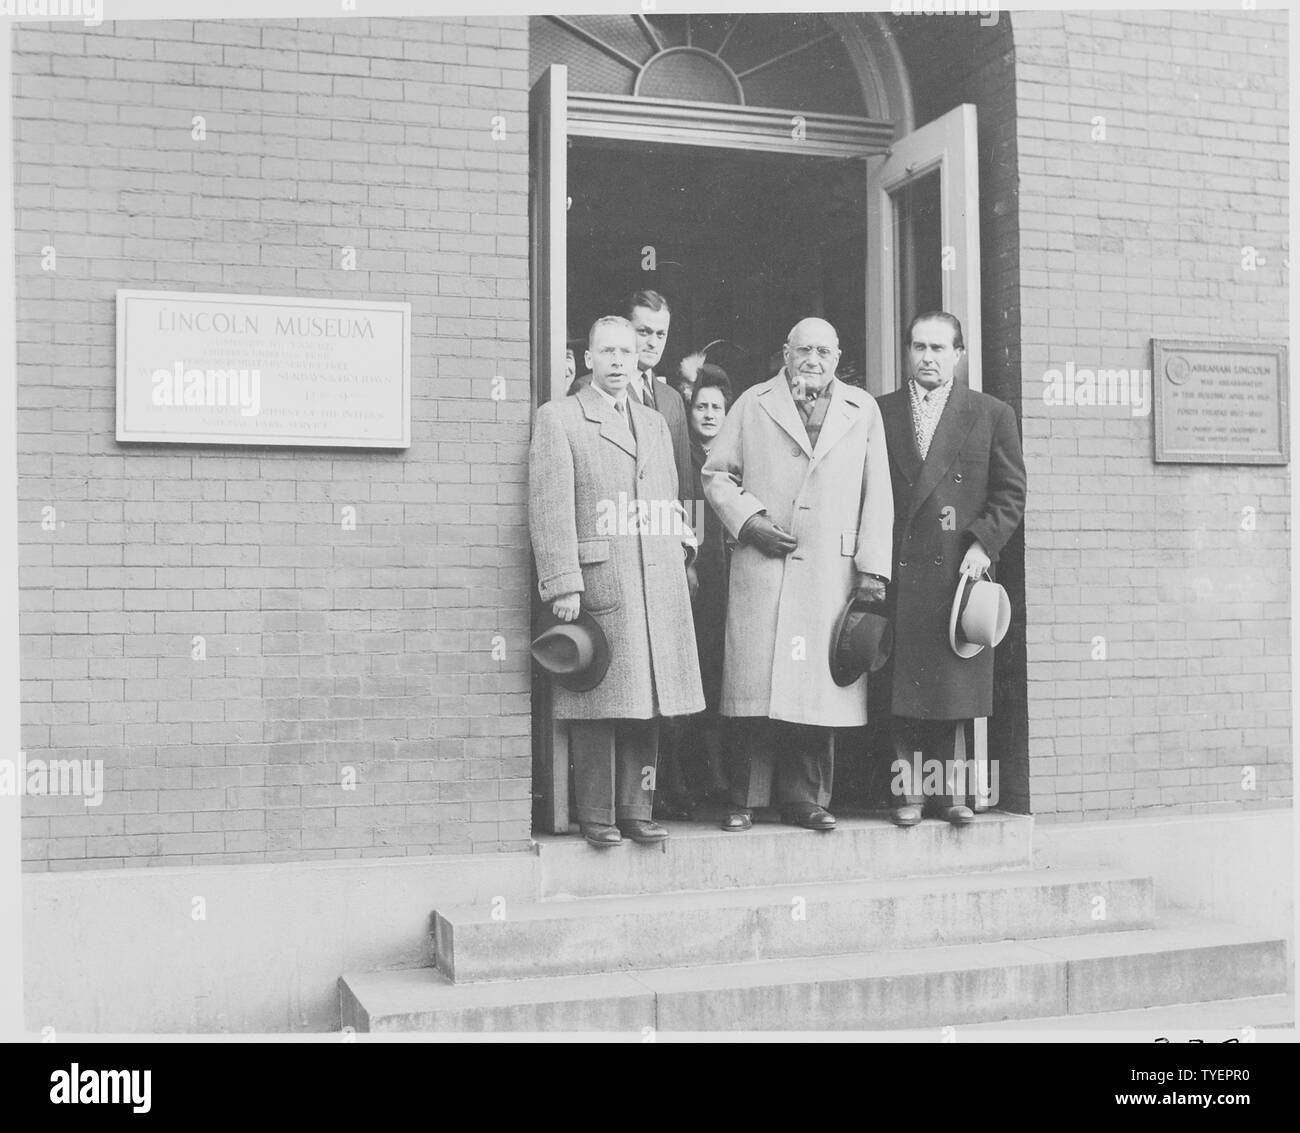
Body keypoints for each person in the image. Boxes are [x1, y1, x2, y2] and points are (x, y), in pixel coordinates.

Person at [702, 317, 894, 833]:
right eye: (803, 349)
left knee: (814, 693)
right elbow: (717, 474)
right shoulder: (751, 402)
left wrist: (872, 569)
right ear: (785, 354)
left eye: (824, 351)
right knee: (754, 689)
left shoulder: (862, 410)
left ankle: (804, 800)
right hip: (764, 564)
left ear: (838, 357)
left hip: (829, 573)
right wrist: (749, 521)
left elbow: (879, 494)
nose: (813, 359)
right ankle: (742, 798)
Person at [528, 316, 705, 848]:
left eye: (627, 352)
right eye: (607, 352)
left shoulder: (652, 422)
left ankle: (636, 809)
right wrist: (563, 582)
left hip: (656, 579)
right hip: (603, 578)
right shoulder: (560, 418)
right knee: (599, 698)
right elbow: (549, 506)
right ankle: (597, 815)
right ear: (588, 359)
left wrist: (684, 545)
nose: (618, 362)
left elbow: (670, 495)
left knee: (647, 698)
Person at [876, 311, 1027, 826]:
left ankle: (951, 794)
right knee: (905, 688)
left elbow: (1011, 494)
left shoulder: (990, 414)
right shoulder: (881, 413)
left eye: (939, 348)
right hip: (901, 567)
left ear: (959, 354)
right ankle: (909, 795)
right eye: (919, 347)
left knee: (952, 687)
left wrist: (984, 544)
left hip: (958, 571)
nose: (928, 358)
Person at [681, 359, 735, 803]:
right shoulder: (686, 455)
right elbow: (689, 512)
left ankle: (724, 775)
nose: (709, 414)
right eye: (702, 406)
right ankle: (697, 778)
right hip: (701, 578)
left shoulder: (734, 455)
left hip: (734, 577)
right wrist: (691, 558)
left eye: (717, 406)